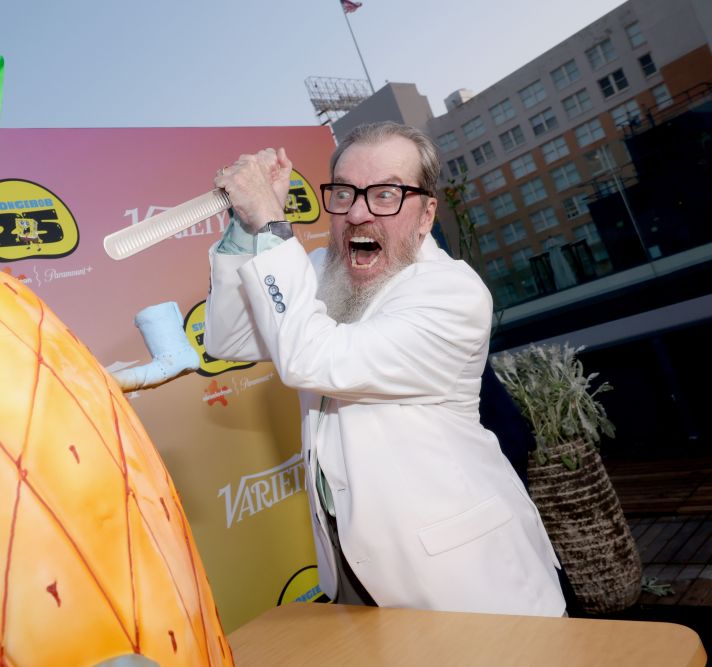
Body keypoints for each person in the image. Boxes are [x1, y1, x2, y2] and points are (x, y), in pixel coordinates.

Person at [204, 121, 567, 616]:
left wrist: (271, 225)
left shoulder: (453, 295)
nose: (357, 213)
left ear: (426, 213)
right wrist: (246, 226)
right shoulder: (319, 270)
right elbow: (232, 337)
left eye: (386, 195)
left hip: (462, 583)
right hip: (354, 576)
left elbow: (312, 358)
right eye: (346, 193)